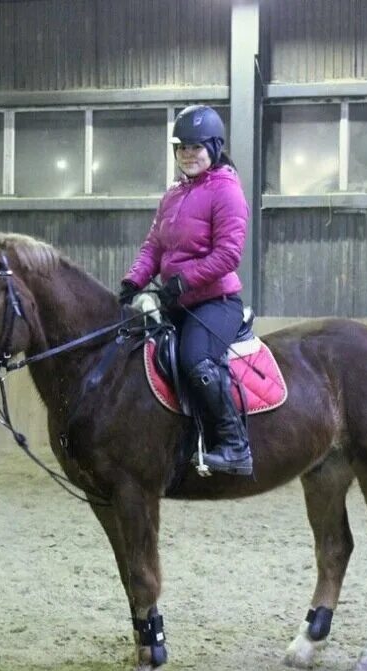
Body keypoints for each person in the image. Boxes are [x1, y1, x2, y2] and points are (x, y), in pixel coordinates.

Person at [118, 105, 252, 476]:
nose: (187, 155)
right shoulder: (173, 194)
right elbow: (154, 247)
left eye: (196, 147)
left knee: (196, 361)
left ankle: (234, 445)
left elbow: (228, 254)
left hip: (215, 302)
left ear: (214, 146)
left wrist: (183, 281)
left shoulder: (227, 192)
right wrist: (134, 280)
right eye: (181, 148)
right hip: (175, 300)